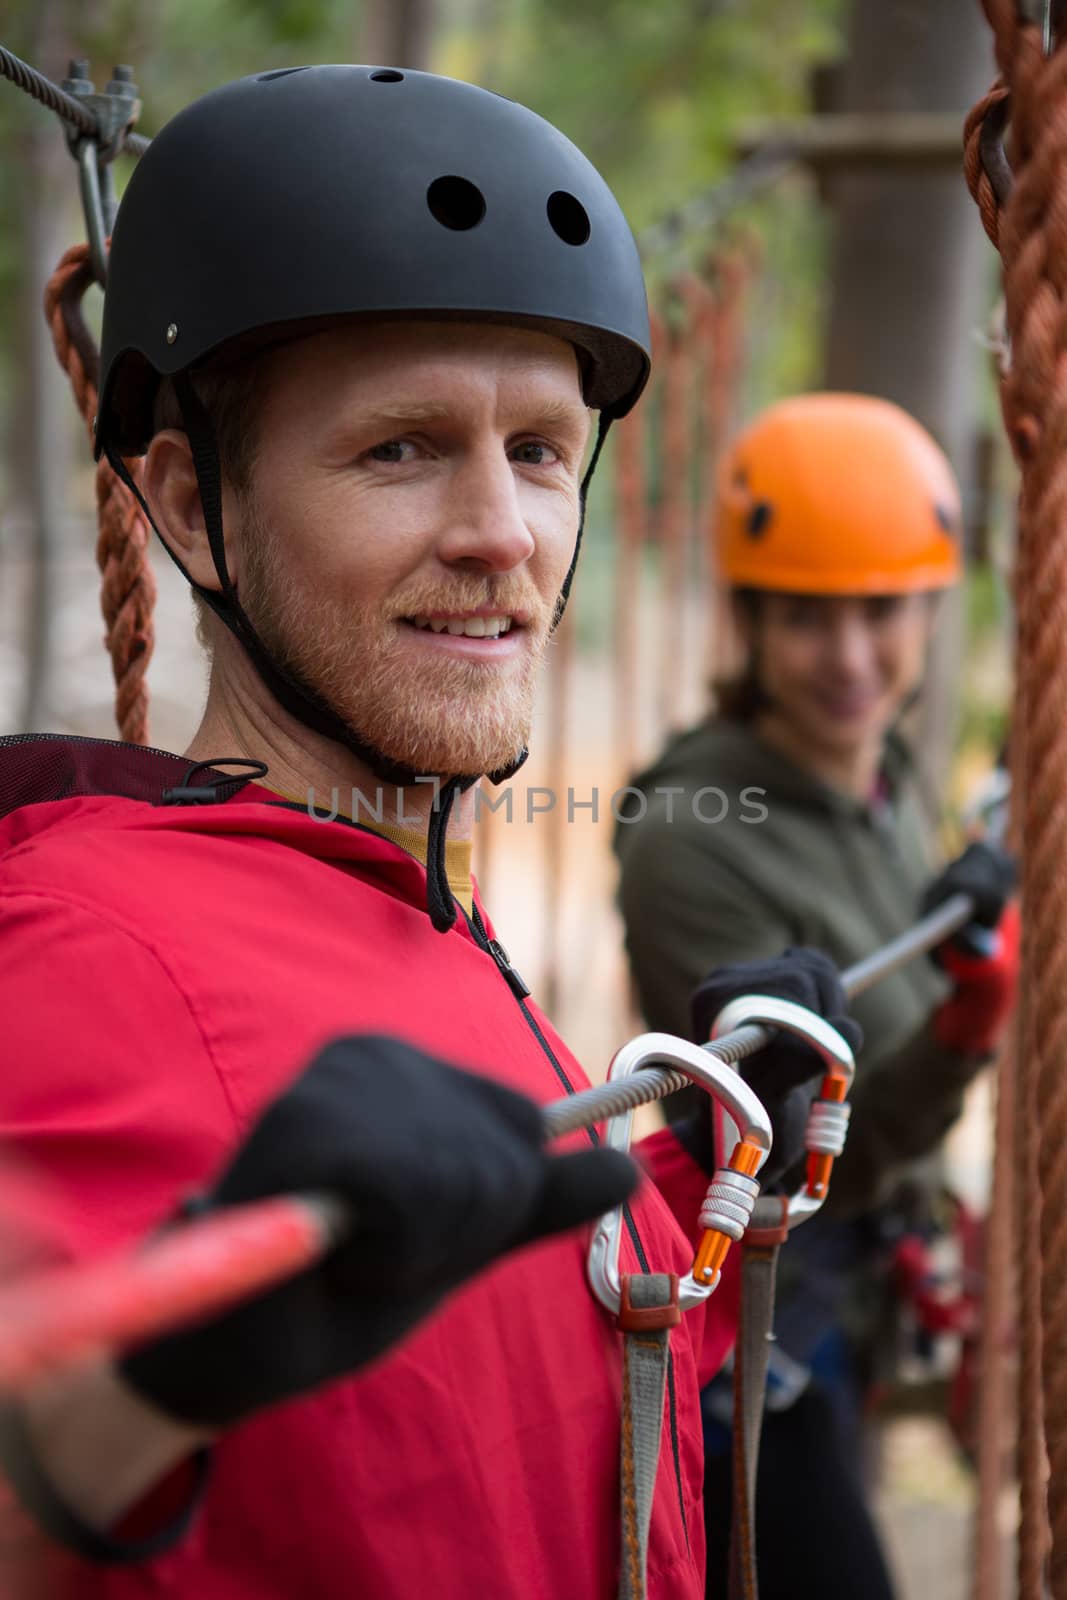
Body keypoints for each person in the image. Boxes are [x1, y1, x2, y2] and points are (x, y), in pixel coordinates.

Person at [0, 70, 861, 1599]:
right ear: (192, 511)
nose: (501, 532)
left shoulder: (396, 901)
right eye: (400, 448)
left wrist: (704, 1156)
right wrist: (121, 1404)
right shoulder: (81, 951)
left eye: (536, 449)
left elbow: (466, 1378)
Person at [613, 393, 1017, 1600]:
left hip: (865, 1271)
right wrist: (963, 1025)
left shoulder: (881, 766)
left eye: (881, 612)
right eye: (804, 618)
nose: (850, 659)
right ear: (747, 617)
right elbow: (803, 1142)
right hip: (761, 1314)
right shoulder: (688, 835)